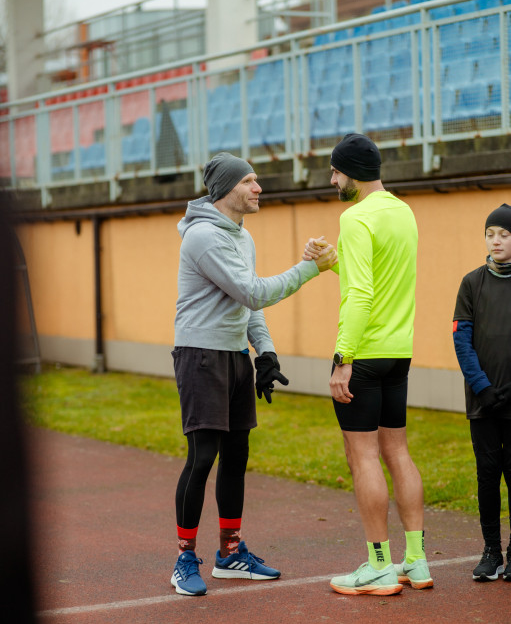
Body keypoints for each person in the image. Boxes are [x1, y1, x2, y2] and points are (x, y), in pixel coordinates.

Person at [171, 152, 337, 596]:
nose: (259, 188)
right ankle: (185, 558)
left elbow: (247, 305)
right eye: (249, 181)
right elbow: (252, 291)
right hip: (200, 354)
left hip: (233, 356)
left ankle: (229, 553)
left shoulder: (243, 238)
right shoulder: (203, 237)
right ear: (227, 189)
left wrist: (265, 352)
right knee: (202, 457)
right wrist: (309, 269)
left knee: (237, 457)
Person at [304, 133, 433, 596]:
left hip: (365, 353)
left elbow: (361, 295)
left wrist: (343, 359)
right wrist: (332, 261)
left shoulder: (355, 216)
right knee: (397, 451)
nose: (332, 179)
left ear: (352, 172)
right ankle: (415, 562)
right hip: (399, 352)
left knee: (363, 457)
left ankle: (379, 564)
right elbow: (375, 278)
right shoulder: (403, 211)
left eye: (336, 171)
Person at [453, 203, 511, 582]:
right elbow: (462, 340)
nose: (496, 240)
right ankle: (491, 551)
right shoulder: (472, 283)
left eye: (504, 234)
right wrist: (482, 387)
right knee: (488, 477)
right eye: (491, 234)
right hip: (484, 403)